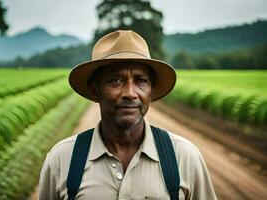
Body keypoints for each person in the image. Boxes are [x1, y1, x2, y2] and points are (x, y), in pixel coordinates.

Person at [39, 30, 217, 200]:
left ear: (151, 91)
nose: (130, 93)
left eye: (141, 81)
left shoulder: (184, 157)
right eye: (115, 81)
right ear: (95, 91)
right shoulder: (62, 160)